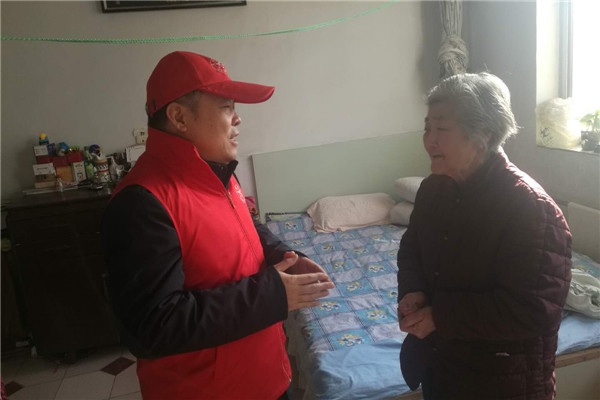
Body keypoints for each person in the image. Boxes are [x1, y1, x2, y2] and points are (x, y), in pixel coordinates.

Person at [101, 51, 334, 400]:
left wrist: (285, 256)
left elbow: (246, 230)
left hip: (266, 377)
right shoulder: (142, 203)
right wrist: (271, 294)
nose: (238, 119)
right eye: (226, 107)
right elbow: (152, 327)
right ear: (179, 117)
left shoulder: (218, 171)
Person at [396, 72, 572, 399]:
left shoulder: (530, 208)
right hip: (441, 364)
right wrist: (413, 290)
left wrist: (439, 317)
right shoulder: (434, 189)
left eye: (441, 129)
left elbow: (533, 310)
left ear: (483, 135)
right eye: (427, 128)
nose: (429, 140)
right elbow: (411, 249)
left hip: (502, 381)